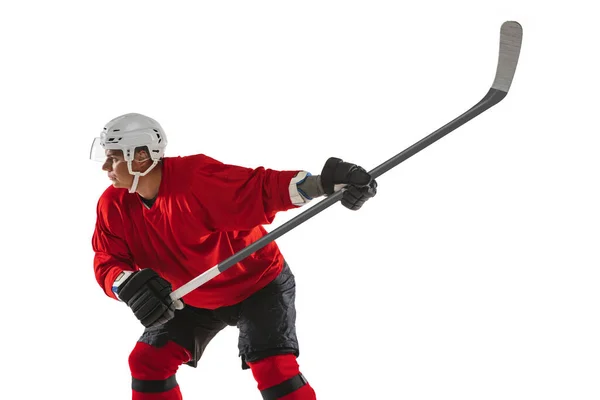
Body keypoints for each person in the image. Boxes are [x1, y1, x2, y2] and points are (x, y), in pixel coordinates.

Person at [89, 112, 378, 400]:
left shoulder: (195, 179)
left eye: (113, 158)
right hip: (193, 295)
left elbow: (259, 190)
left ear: (140, 156)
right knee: (147, 362)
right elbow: (107, 259)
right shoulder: (112, 205)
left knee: (273, 369)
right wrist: (124, 283)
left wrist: (325, 184)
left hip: (256, 284)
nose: (105, 167)